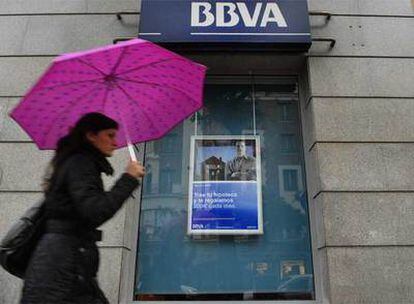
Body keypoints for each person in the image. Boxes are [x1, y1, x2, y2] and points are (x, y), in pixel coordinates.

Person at [20, 112, 145, 304]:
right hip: (64, 267)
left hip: (65, 265)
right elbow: (94, 211)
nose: (115, 142)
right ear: (91, 136)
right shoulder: (81, 163)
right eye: (110, 135)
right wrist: (128, 178)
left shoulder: (76, 162)